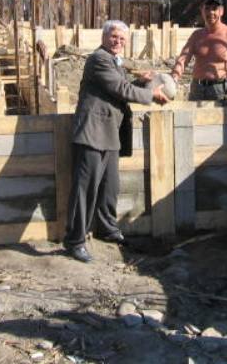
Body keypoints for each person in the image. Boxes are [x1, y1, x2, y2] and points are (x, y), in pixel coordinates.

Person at [64, 20, 169, 263]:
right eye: (114, 37)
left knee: (109, 187)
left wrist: (141, 83)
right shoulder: (98, 59)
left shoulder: (114, 61)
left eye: (122, 39)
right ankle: (75, 241)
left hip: (109, 133)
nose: (118, 41)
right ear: (103, 37)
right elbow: (120, 89)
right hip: (92, 133)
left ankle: (107, 228)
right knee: (85, 189)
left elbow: (119, 87)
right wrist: (151, 94)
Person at [169, 0, 227, 101]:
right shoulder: (197, 36)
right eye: (207, 8)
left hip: (221, 90)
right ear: (202, 11)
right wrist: (174, 77)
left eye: (214, 9)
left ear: (221, 11)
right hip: (197, 89)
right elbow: (183, 59)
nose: (211, 12)